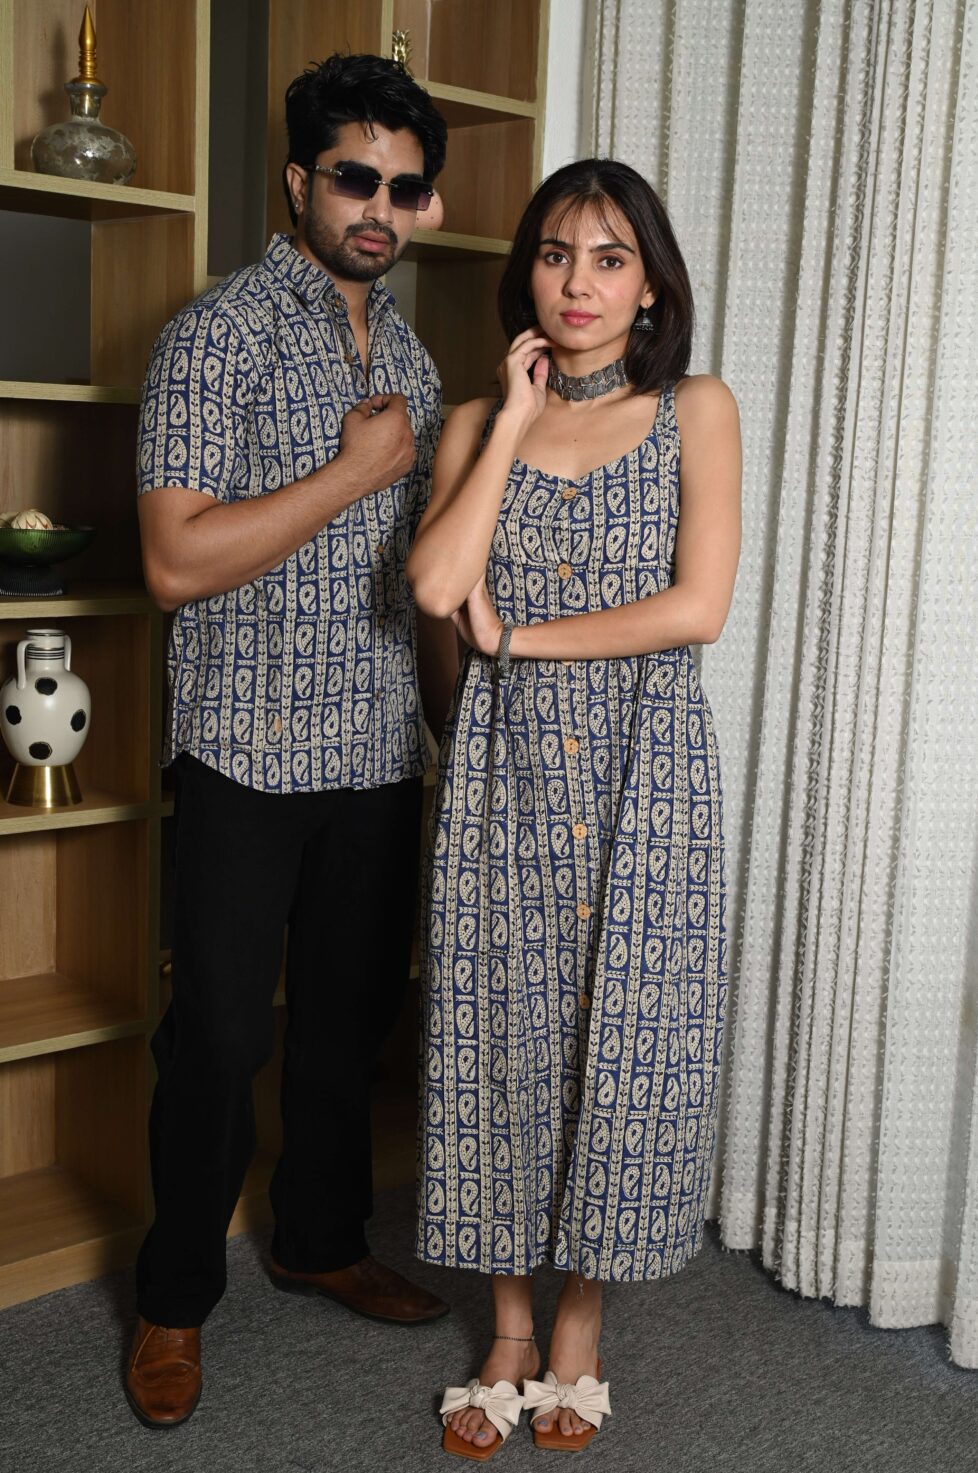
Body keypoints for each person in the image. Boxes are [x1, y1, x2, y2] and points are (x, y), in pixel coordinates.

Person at [127, 53, 458, 1429]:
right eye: (354, 177)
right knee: (215, 1038)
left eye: (405, 186)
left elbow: (421, 581)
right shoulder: (215, 335)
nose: (379, 206)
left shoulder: (420, 364)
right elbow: (174, 561)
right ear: (299, 182)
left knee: (345, 1030)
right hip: (243, 751)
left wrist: (452, 731)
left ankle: (320, 1239)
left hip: (378, 754)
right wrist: (353, 470)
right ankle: (172, 1298)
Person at [407, 158, 741, 1456]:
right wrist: (509, 419)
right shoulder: (472, 424)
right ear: (527, 274)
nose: (580, 282)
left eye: (610, 258)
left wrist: (520, 639)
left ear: (650, 283)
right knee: (499, 1032)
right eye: (556, 254)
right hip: (505, 775)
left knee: (625, 1036)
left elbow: (696, 608)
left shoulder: (695, 410)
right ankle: (507, 1326)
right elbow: (437, 584)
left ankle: (581, 1323)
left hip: (645, 772)